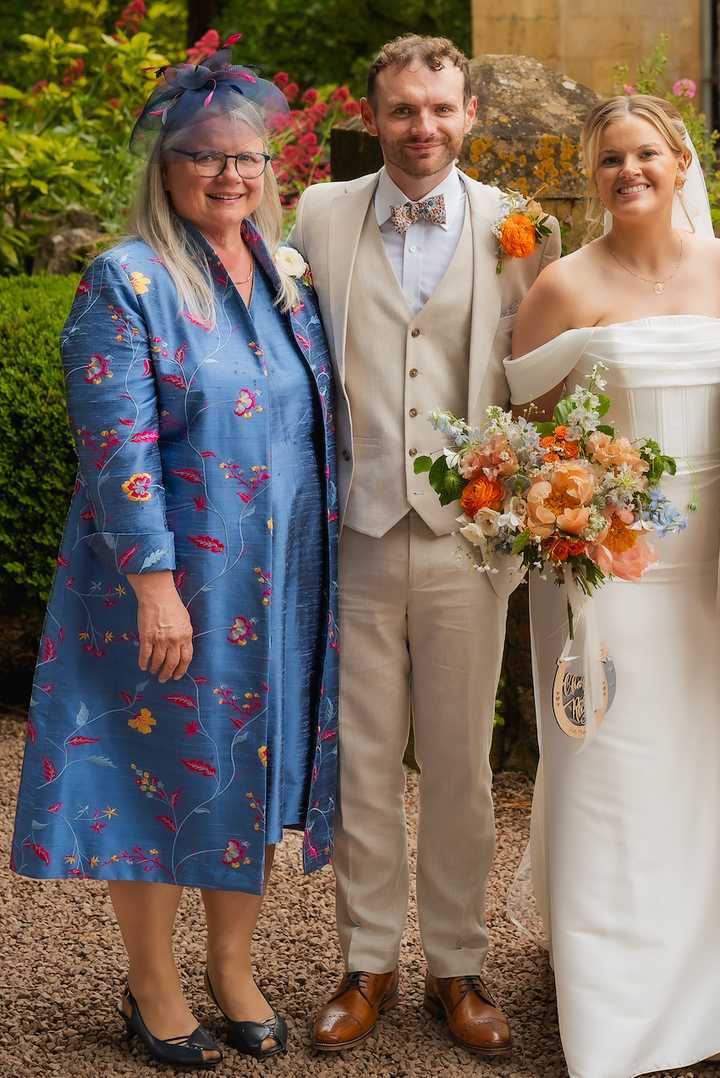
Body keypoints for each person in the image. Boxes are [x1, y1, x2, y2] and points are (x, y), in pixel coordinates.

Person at [10, 41, 339, 1069]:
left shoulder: (283, 274)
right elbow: (116, 445)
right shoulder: (128, 279)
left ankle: (233, 966)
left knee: (254, 761)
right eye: (205, 156)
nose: (228, 174)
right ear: (166, 167)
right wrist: (154, 586)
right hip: (167, 580)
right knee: (151, 771)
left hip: (276, 583)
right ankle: (151, 983)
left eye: (246, 157)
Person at [289, 34, 559, 1055]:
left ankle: (458, 963)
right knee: (361, 760)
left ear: (469, 114)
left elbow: (541, 376)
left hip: (467, 538)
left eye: (441, 108)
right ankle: (367, 960)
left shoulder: (520, 228)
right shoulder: (317, 215)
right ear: (372, 116)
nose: (422, 127)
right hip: (354, 530)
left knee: (460, 763)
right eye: (402, 109)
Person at [506, 93, 720, 1078]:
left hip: (710, 571)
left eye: (646, 154)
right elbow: (525, 438)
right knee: (613, 774)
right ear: (591, 177)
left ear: (680, 162)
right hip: (611, 573)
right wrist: (570, 515)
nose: (628, 172)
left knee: (703, 778)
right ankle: (620, 1017)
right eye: (608, 159)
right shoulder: (564, 286)